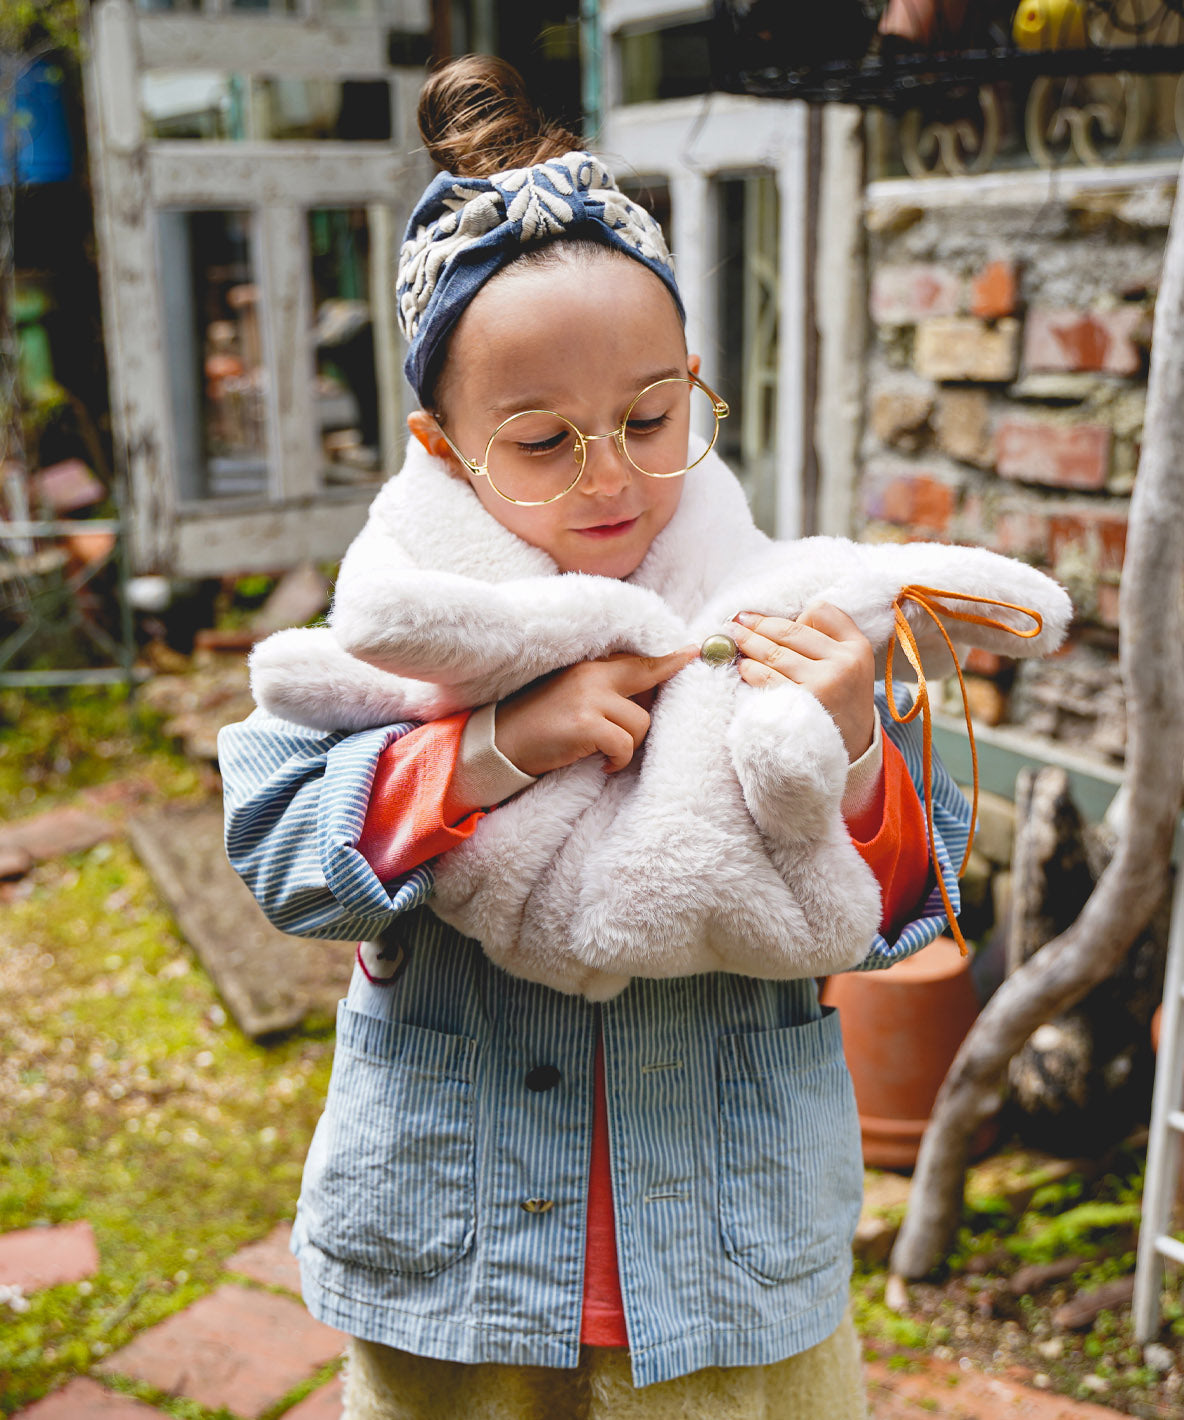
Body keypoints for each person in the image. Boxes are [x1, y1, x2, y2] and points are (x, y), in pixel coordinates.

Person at [219, 55, 976, 1420]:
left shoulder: (780, 615)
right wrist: (501, 743)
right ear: (442, 448)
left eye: (647, 418)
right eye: (542, 440)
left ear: (695, 384)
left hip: (732, 1271)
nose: (612, 475)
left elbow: (905, 918)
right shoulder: (403, 639)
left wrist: (854, 748)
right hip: (461, 1271)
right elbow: (284, 861)